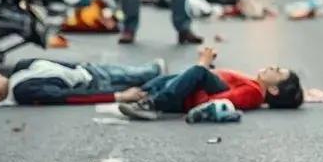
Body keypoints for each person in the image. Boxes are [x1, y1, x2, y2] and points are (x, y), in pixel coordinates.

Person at [117, 46, 304, 120]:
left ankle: (151, 104)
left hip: (187, 99)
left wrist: (203, 69)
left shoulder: (254, 93)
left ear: (273, 89)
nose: (272, 67)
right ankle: (143, 93)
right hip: (185, 91)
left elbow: (221, 100)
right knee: (190, 73)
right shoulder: (253, 84)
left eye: (277, 71)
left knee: (198, 71)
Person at [0, 59, 161, 106]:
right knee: (150, 79)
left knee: (148, 73)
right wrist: (117, 96)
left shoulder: (19, 69)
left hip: (89, 70)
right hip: (95, 83)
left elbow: (55, 64)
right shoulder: (23, 90)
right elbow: (66, 96)